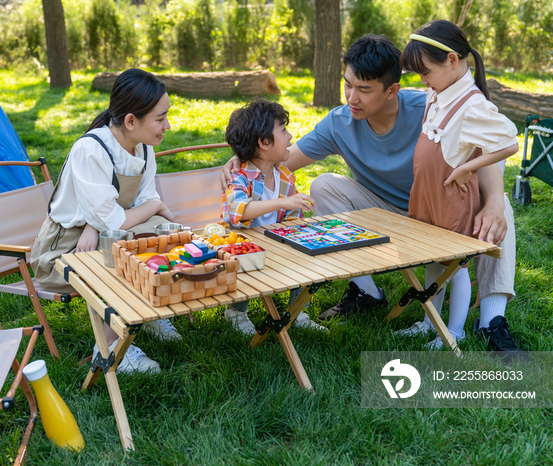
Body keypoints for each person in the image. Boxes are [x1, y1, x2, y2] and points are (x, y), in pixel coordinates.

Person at [220, 35, 526, 357]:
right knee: (324, 184)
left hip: (438, 206)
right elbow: (281, 157)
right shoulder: (340, 122)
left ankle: (493, 320)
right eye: (348, 85)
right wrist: (243, 157)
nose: (352, 98)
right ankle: (366, 289)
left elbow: (488, 146)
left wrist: (492, 200)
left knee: (500, 204)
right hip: (383, 214)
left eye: (364, 90)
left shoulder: (427, 106)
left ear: (392, 90)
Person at [32, 69, 179, 374]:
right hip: (62, 251)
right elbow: (124, 213)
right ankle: (114, 348)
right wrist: (152, 205)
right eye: (160, 118)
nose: (167, 125)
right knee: (114, 262)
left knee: (151, 239)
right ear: (130, 121)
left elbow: (130, 212)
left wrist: (99, 224)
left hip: (104, 234)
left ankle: (148, 315)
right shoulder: (91, 149)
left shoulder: (144, 148)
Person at [396, 20, 518, 349]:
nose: (423, 81)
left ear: (452, 61)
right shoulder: (441, 92)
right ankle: (429, 321)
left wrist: (468, 167)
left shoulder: (473, 104)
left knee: (456, 266)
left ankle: (455, 331)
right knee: (432, 261)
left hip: (450, 198)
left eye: (426, 72)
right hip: (428, 193)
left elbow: (509, 142)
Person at [220, 99, 326, 335]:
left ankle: (297, 310)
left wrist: (299, 223)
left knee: (305, 249)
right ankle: (236, 311)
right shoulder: (239, 177)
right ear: (264, 143)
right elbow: (238, 212)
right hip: (243, 248)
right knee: (244, 256)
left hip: (274, 243)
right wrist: (282, 202)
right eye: (284, 131)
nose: (290, 137)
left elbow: (290, 217)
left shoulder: (285, 177)